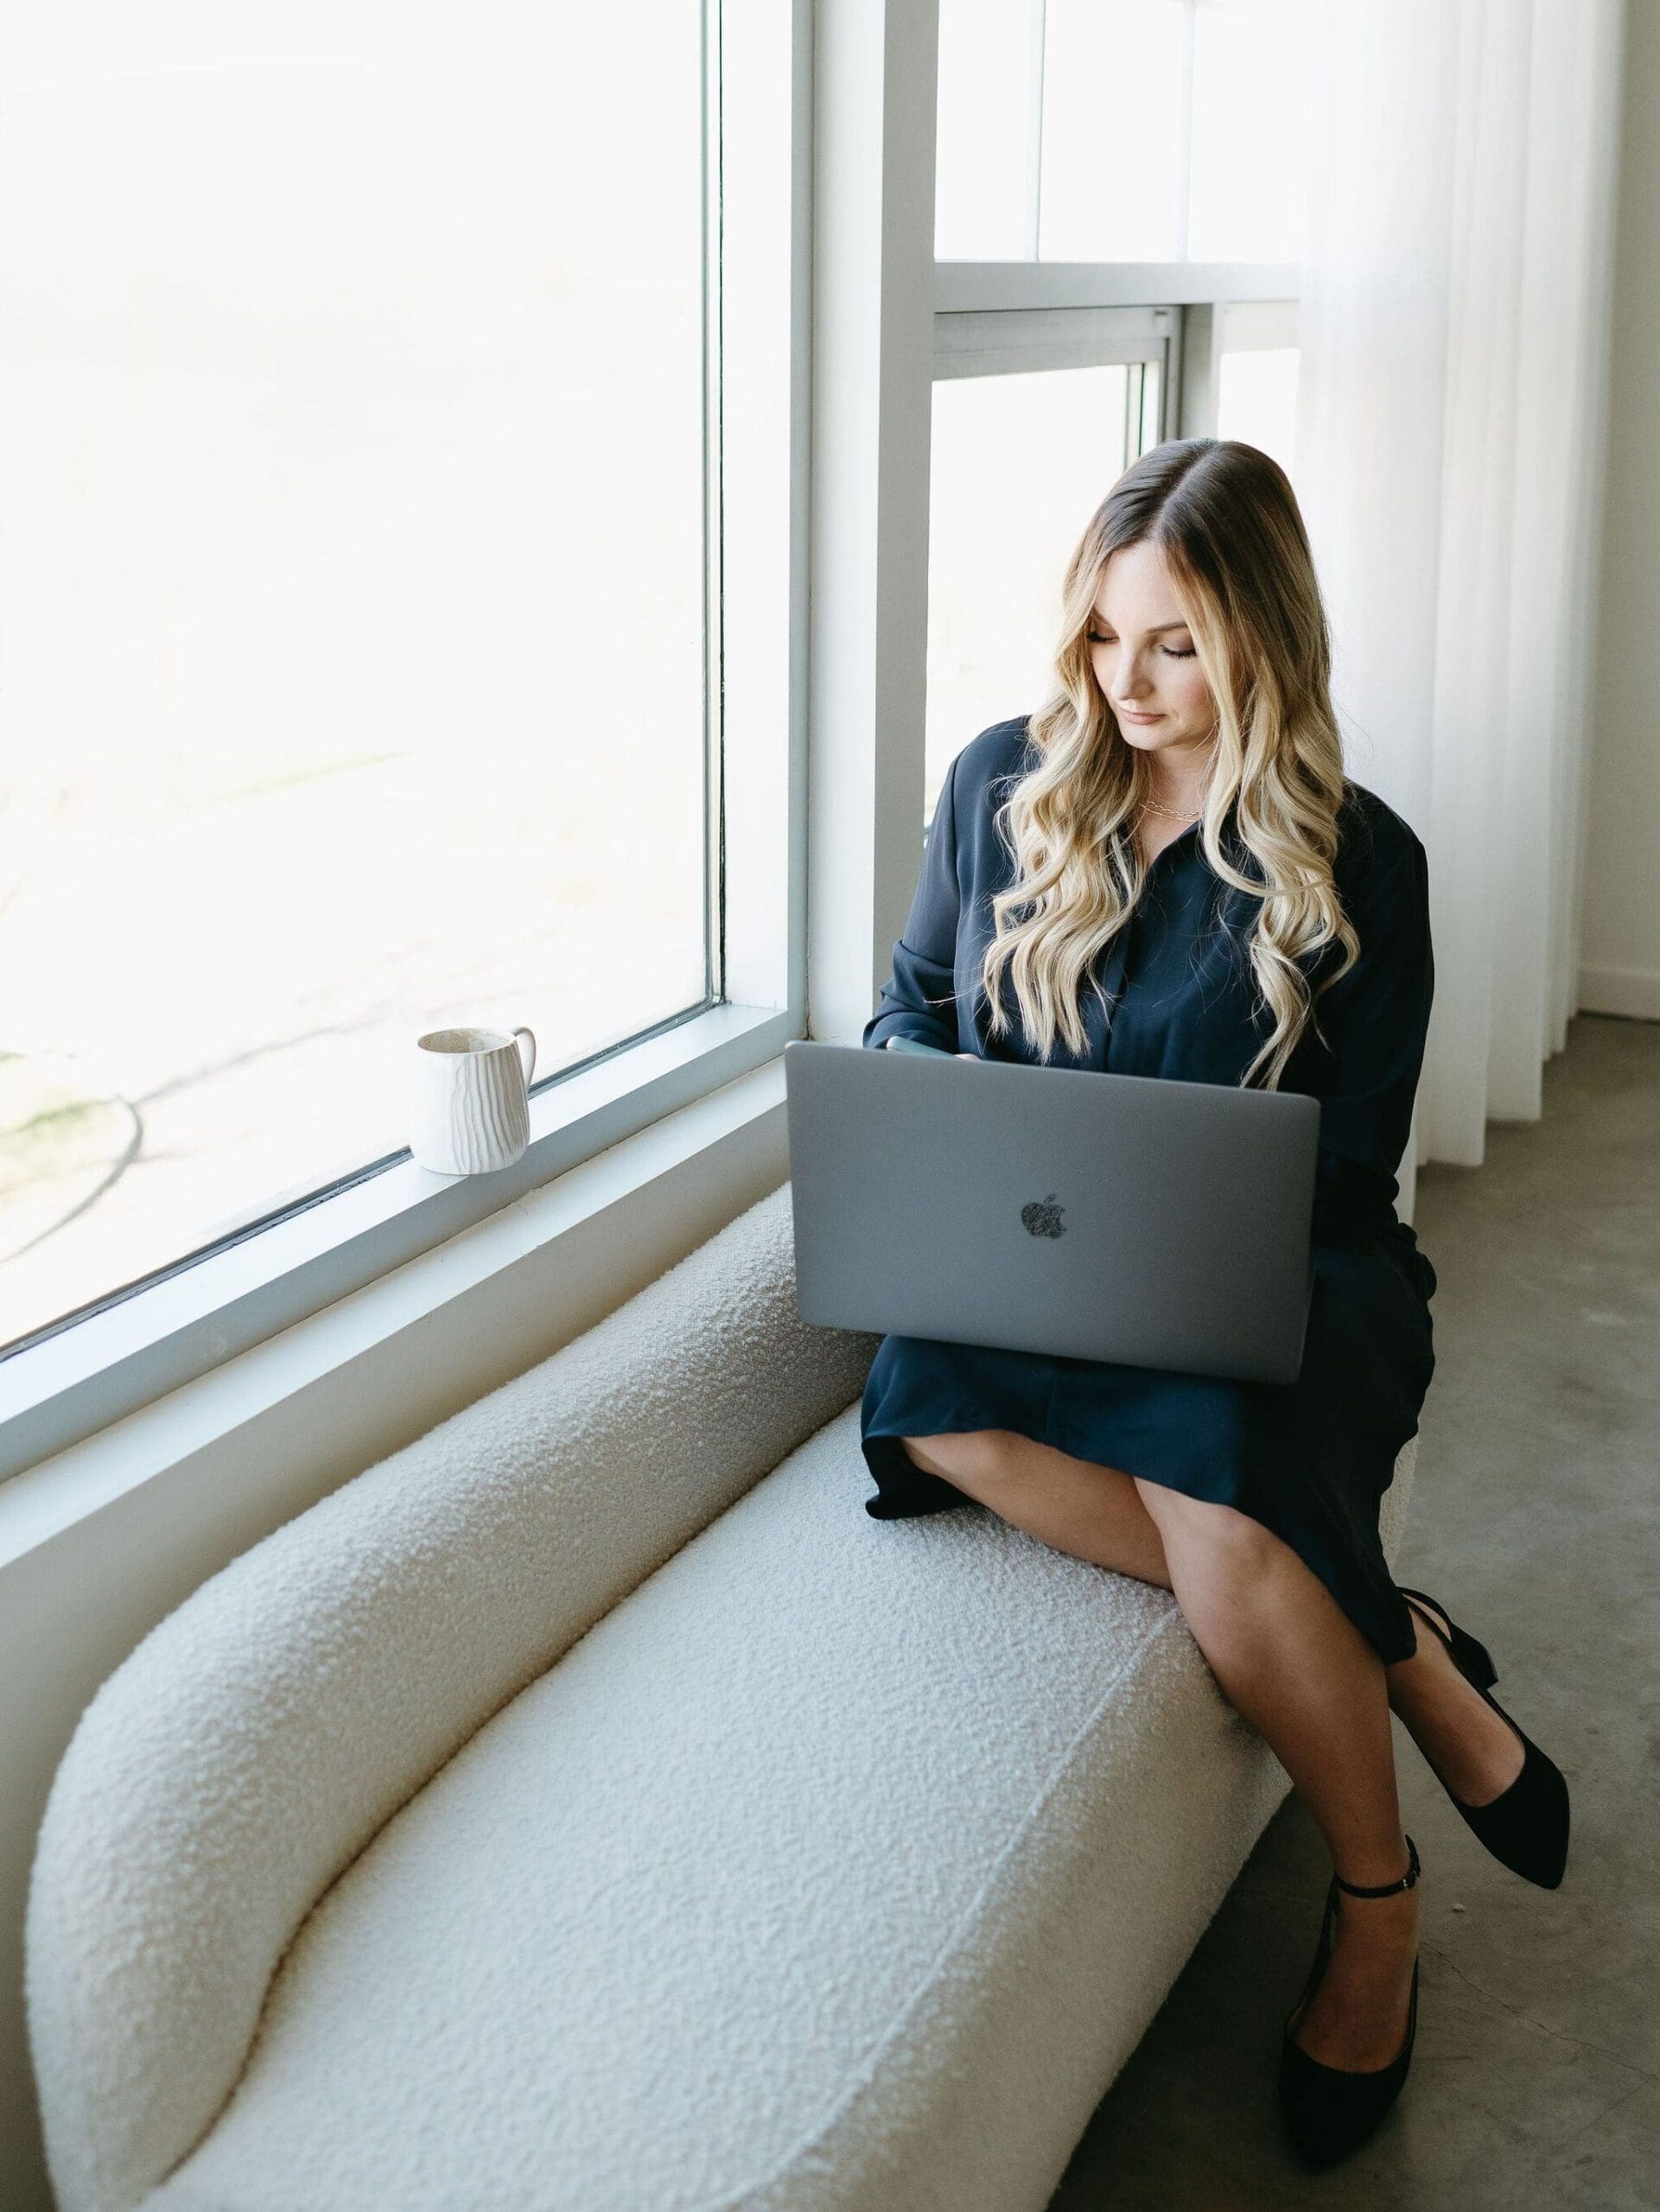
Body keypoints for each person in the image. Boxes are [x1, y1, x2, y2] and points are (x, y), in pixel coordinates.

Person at [859, 437, 1569, 2168]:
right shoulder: (999, 785)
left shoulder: (1357, 861)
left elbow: (1347, 1172)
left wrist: (1179, 1236)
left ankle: (1375, 1898)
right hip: (1038, 1257)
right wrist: (939, 1114)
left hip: (1274, 1272)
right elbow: (910, 1015)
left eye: (1172, 644)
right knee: (923, 1398)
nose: (1129, 685)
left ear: (1259, 635)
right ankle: (1397, 1644)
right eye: (1104, 641)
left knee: (1215, 1454)